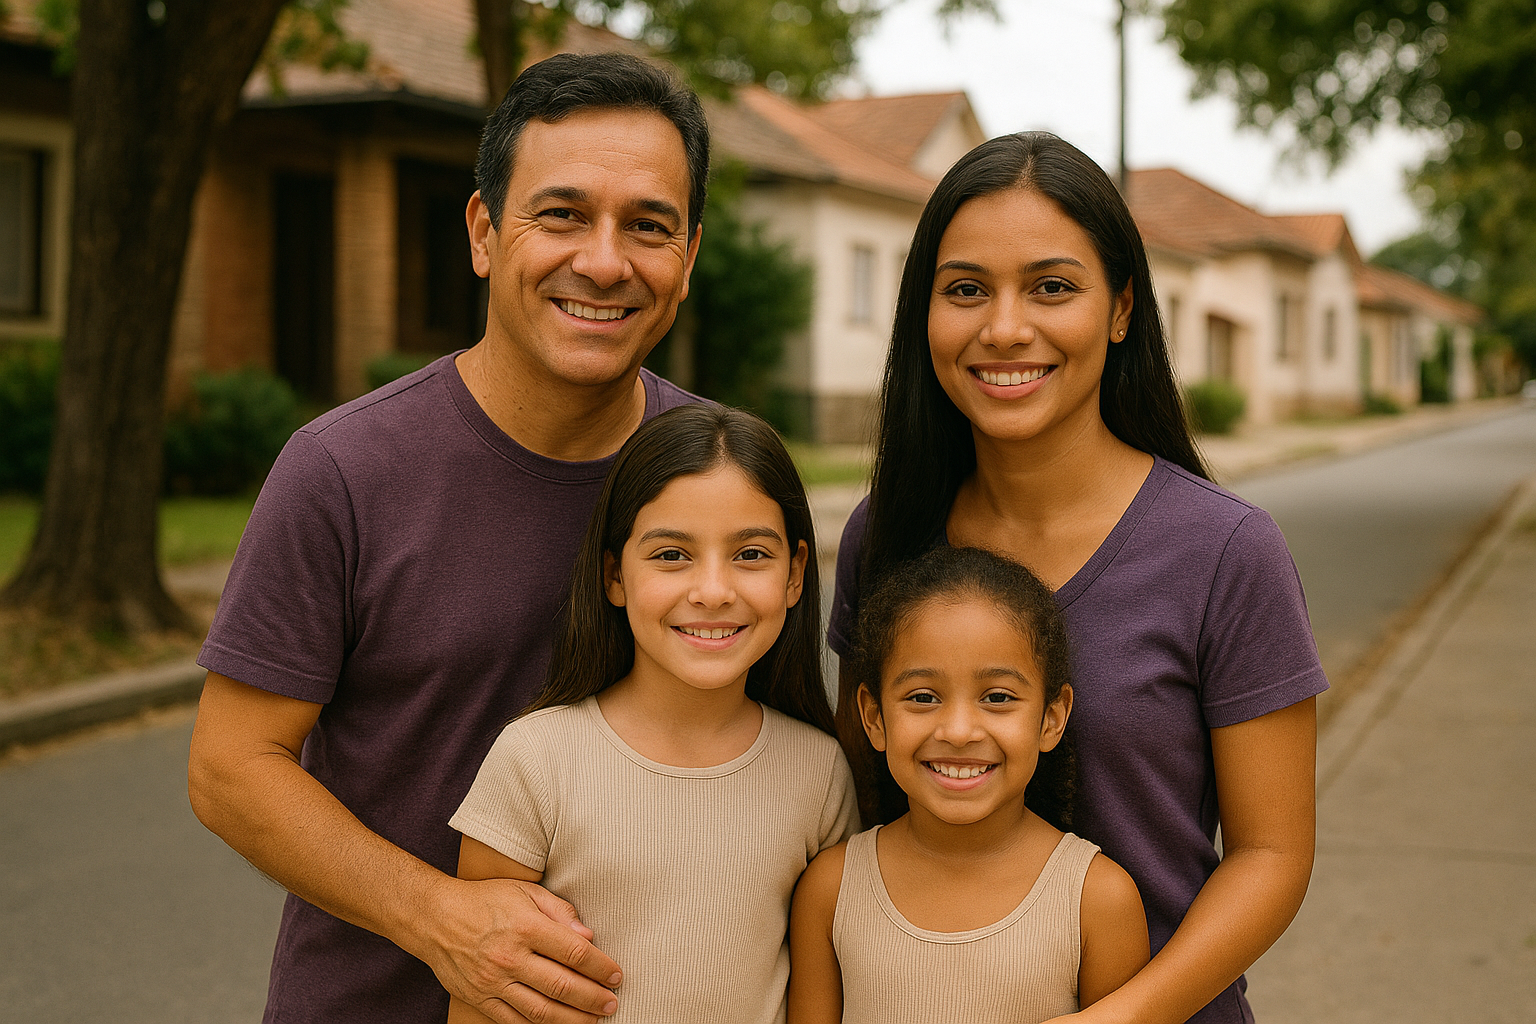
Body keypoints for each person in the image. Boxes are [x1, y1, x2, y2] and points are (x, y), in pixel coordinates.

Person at [187, 53, 709, 1024]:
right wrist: (441, 917)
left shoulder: (723, 481)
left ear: (688, 255)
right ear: (483, 231)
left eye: (648, 225)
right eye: (561, 214)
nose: (605, 262)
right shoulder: (343, 469)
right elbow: (230, 768)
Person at [827, 132, 1326, 1024]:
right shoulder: (886, 534)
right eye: (965, 289)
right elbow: (859, 803)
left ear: (1121, 309)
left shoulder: (1227, 552)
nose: (1004, 327)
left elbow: (1273, 857)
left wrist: (1118, 1019)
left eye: (1051, 287)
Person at [448, 404, 858, 1024]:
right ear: (615, 574)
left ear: (796, 574)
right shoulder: (534, 759)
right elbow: (479, 998)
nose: (713, 591)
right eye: (671, 555)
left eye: (751, 554)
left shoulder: (820, 772)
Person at [790, 545, 1149, 1024]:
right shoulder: (831, 891)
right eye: (923, 697)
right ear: (874, 717)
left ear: (1052, 717)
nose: (959, 732)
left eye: (997, 697)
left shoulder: (1097, 899)